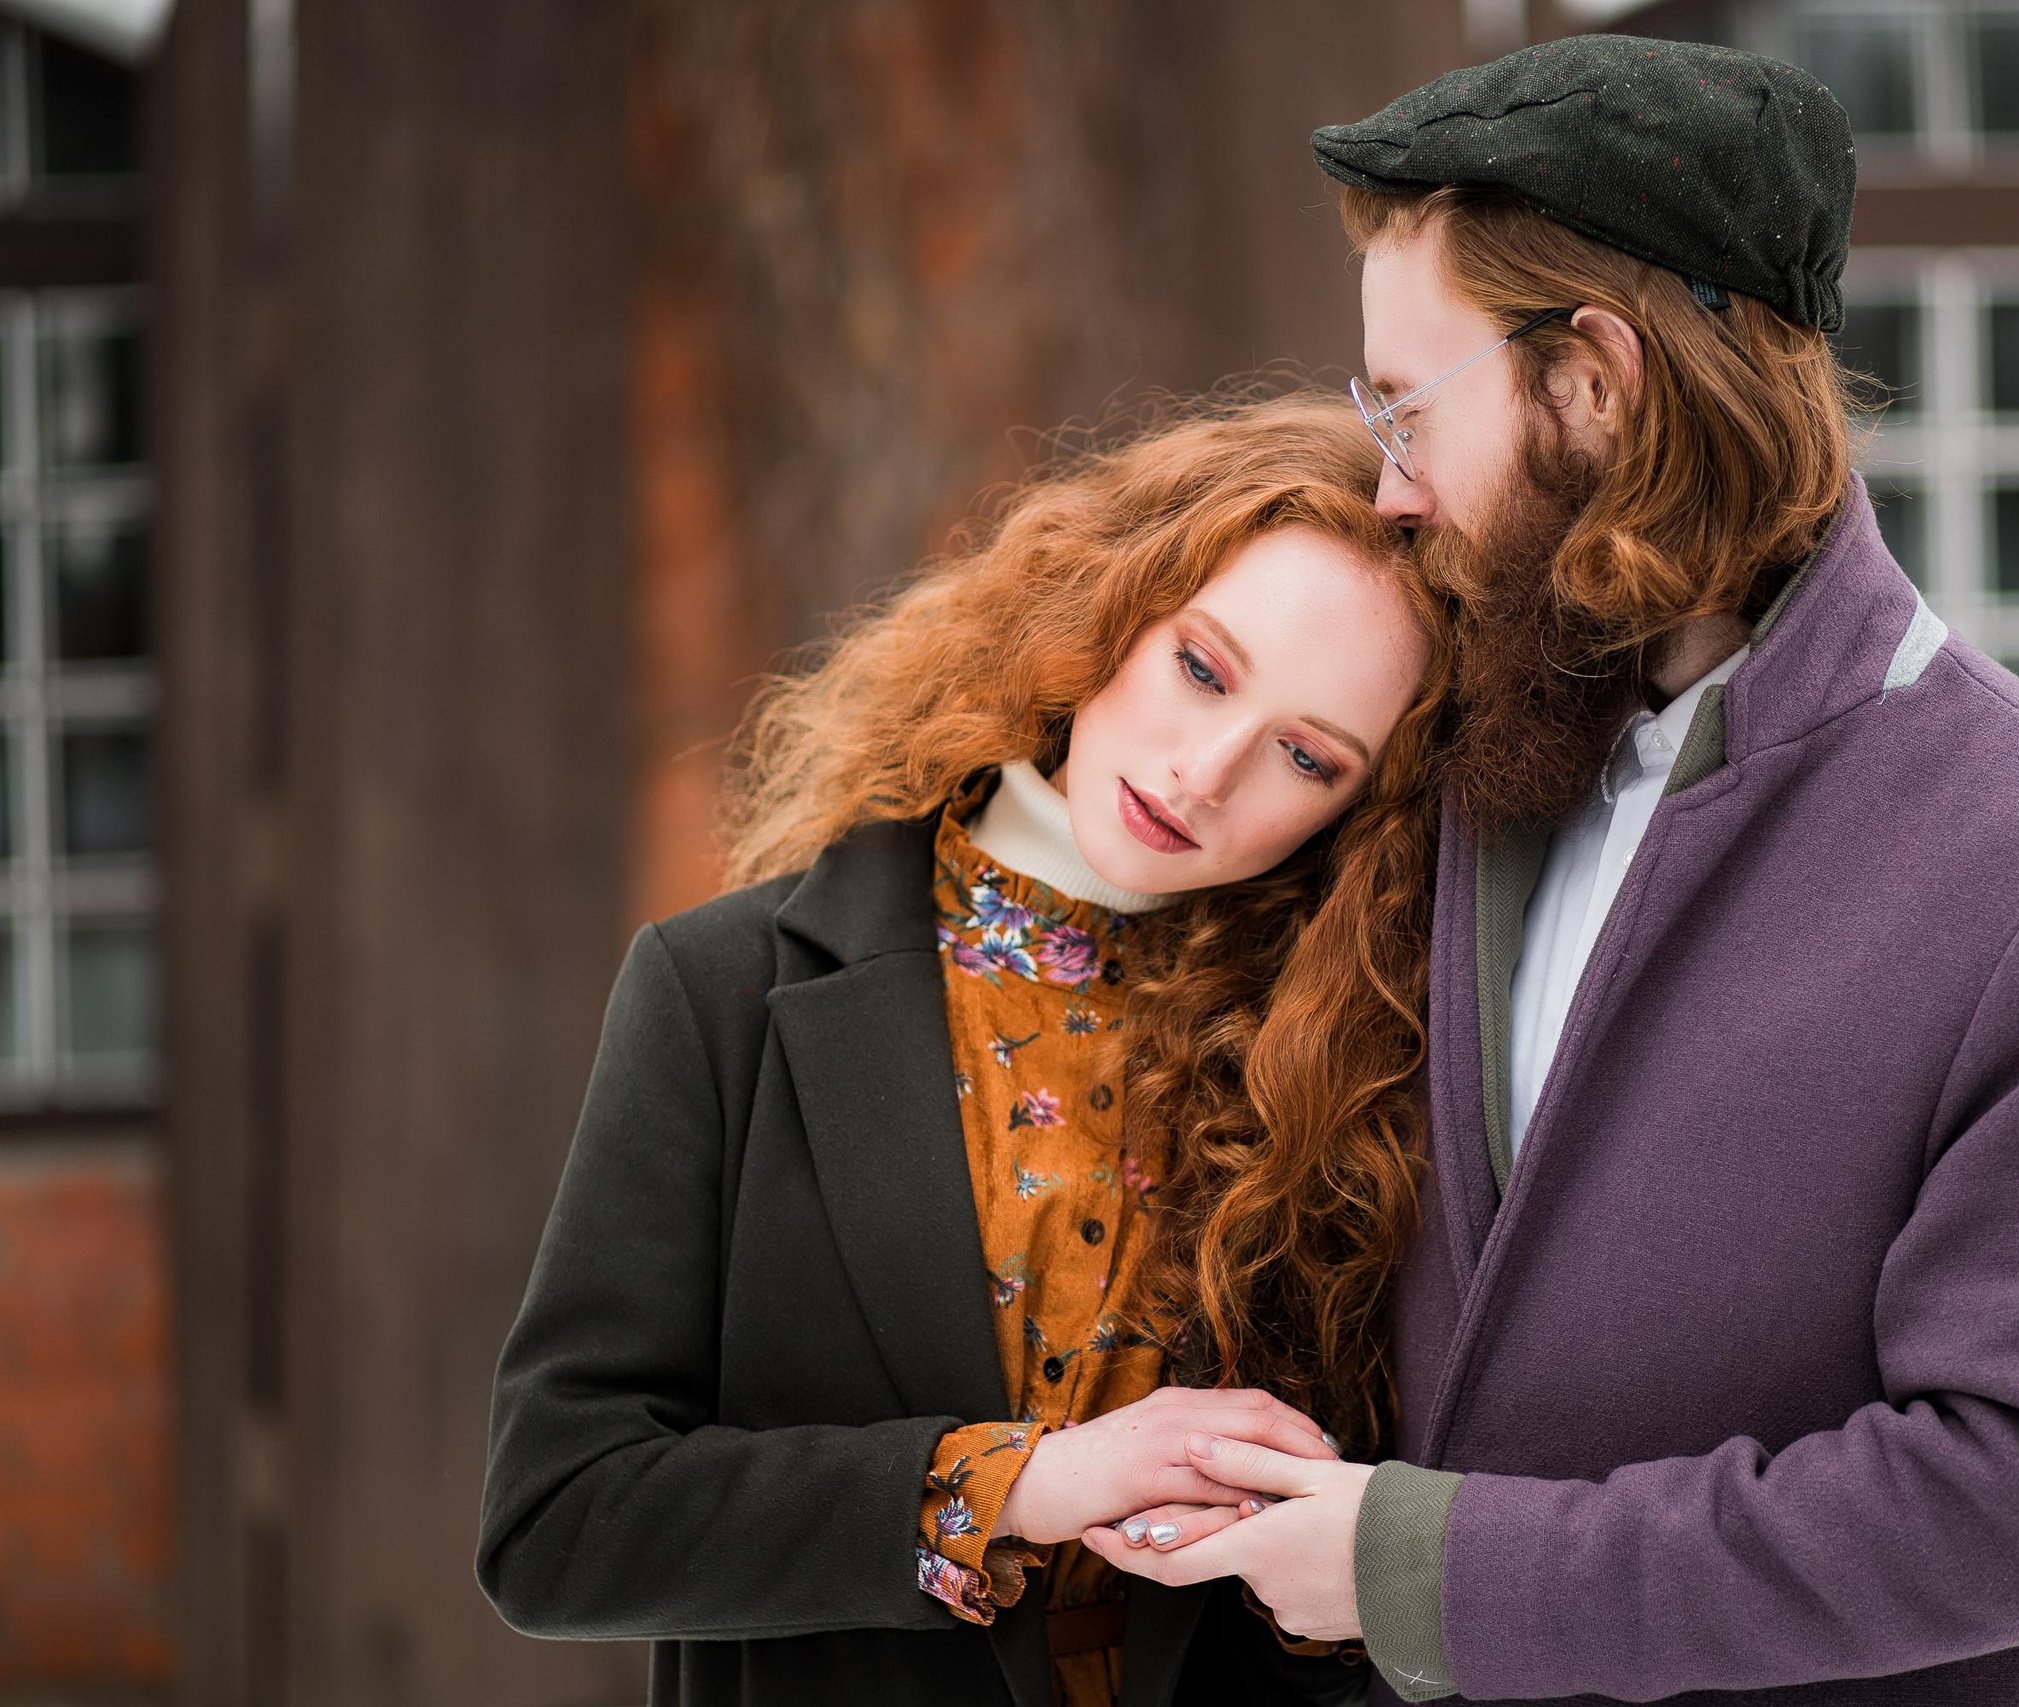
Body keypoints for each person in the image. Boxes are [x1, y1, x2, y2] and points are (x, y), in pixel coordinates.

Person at [1095, 37, 2019, 1707]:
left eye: (1411, 410)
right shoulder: (1466, 743)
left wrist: (1423, 1570)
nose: (1391, 488)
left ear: (1595, 383)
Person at [475, 392, 1452, 1707]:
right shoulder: (720, 992)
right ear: (1110, 608)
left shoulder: (1349, 1070)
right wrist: (1022, 1486)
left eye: (1305, 756)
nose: (1207, 771)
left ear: (1357, 811)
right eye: (1202, 668)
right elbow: (557, 1521)